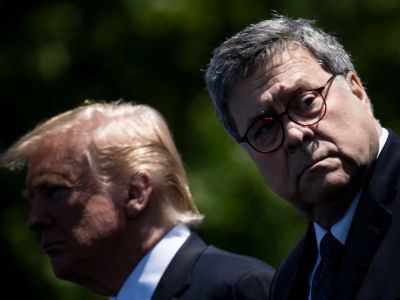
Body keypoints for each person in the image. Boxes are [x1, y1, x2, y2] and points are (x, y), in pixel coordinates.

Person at [205, 15, 400, 300]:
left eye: (306, 101)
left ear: (357, 91)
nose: (295, 134)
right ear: (249, 154)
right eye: (266, 127)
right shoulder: (287, 282)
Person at [0, 102, 274, 299]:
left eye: (56, 191)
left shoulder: (238, 289)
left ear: (136, 193)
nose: (35, 219)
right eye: (32, 199)